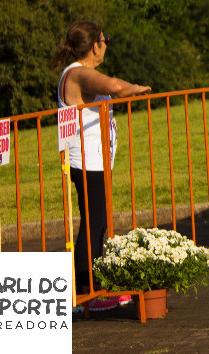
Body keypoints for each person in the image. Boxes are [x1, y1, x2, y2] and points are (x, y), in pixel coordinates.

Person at [52, 21, 151, 313]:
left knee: (99, 223)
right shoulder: (79, 73)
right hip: (87, 161)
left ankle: (96, 287)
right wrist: (137, 88)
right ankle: (89, 292)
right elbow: (115, 87)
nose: (106, 45)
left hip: (96, 159)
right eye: (105, 40)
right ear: (95, 45)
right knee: (94, 223)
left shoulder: (80, 73)